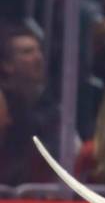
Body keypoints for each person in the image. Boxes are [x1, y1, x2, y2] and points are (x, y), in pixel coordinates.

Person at [0, 24, 60, 185]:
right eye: (27, 52)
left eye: (38, 50)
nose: (38, 57)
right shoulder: (4, 107)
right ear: (7, 64)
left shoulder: (53, 106)